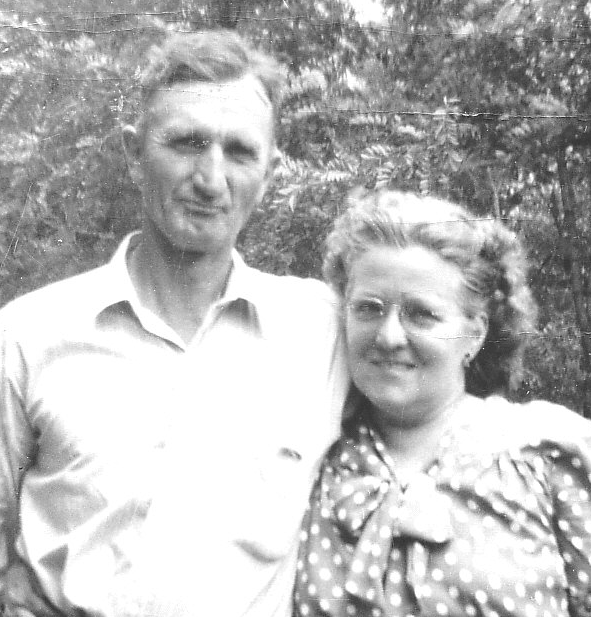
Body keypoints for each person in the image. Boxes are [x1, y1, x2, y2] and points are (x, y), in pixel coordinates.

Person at [0, 30, 348, 617]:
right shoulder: (28, 334)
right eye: (187, 143)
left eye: (240, 152)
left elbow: (431, 416)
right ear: (133, 153)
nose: (211, 179)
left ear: (269, 171)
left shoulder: (323, 330)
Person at [294, 189, 591, 617]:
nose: (389, 336)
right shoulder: (310, 461)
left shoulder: (548, 454)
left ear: (474, 333)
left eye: (421, 314)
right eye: (369, 309)